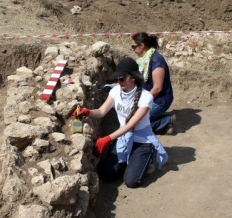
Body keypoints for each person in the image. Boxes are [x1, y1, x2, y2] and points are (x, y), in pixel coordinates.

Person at [73, 57, 167, 188]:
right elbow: (101, 111)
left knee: (131, 181)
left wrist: (106, 139)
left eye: (122, 78)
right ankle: (130, 161)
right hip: (124, 137)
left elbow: (130, 125)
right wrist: (87, 112)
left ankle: (147, 158)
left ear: (133, 78)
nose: (119, 82)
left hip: (142, 141)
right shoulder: (116, 91)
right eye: (117, 79)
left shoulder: (146, 97)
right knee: (106, 175)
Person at [131, 32, 175, 135]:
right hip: (150, 97)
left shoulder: (156, 61)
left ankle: (166, 121)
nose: (132, 49)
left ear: (142, 45)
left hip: (160, 101)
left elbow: (157, 88)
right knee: (131, 117)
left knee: (135, 123)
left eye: (134, 46)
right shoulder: (144, 59)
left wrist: (141, 102)